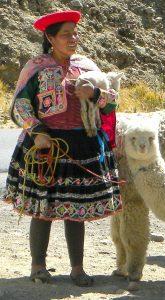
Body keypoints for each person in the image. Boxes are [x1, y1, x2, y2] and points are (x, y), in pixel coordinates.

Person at [2, 10, 122, 286]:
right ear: (50, 37)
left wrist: (94, 94)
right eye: (67, 34)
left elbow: (112, 102)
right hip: (46, 145)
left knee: (75, 210)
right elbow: (20, 104)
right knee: (42, 209)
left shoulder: (88, 67)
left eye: (75, 34)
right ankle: (38, 266)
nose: (73, 39)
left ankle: (77, 269)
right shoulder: (36, 67)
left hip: (82, 144)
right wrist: (37, 131)